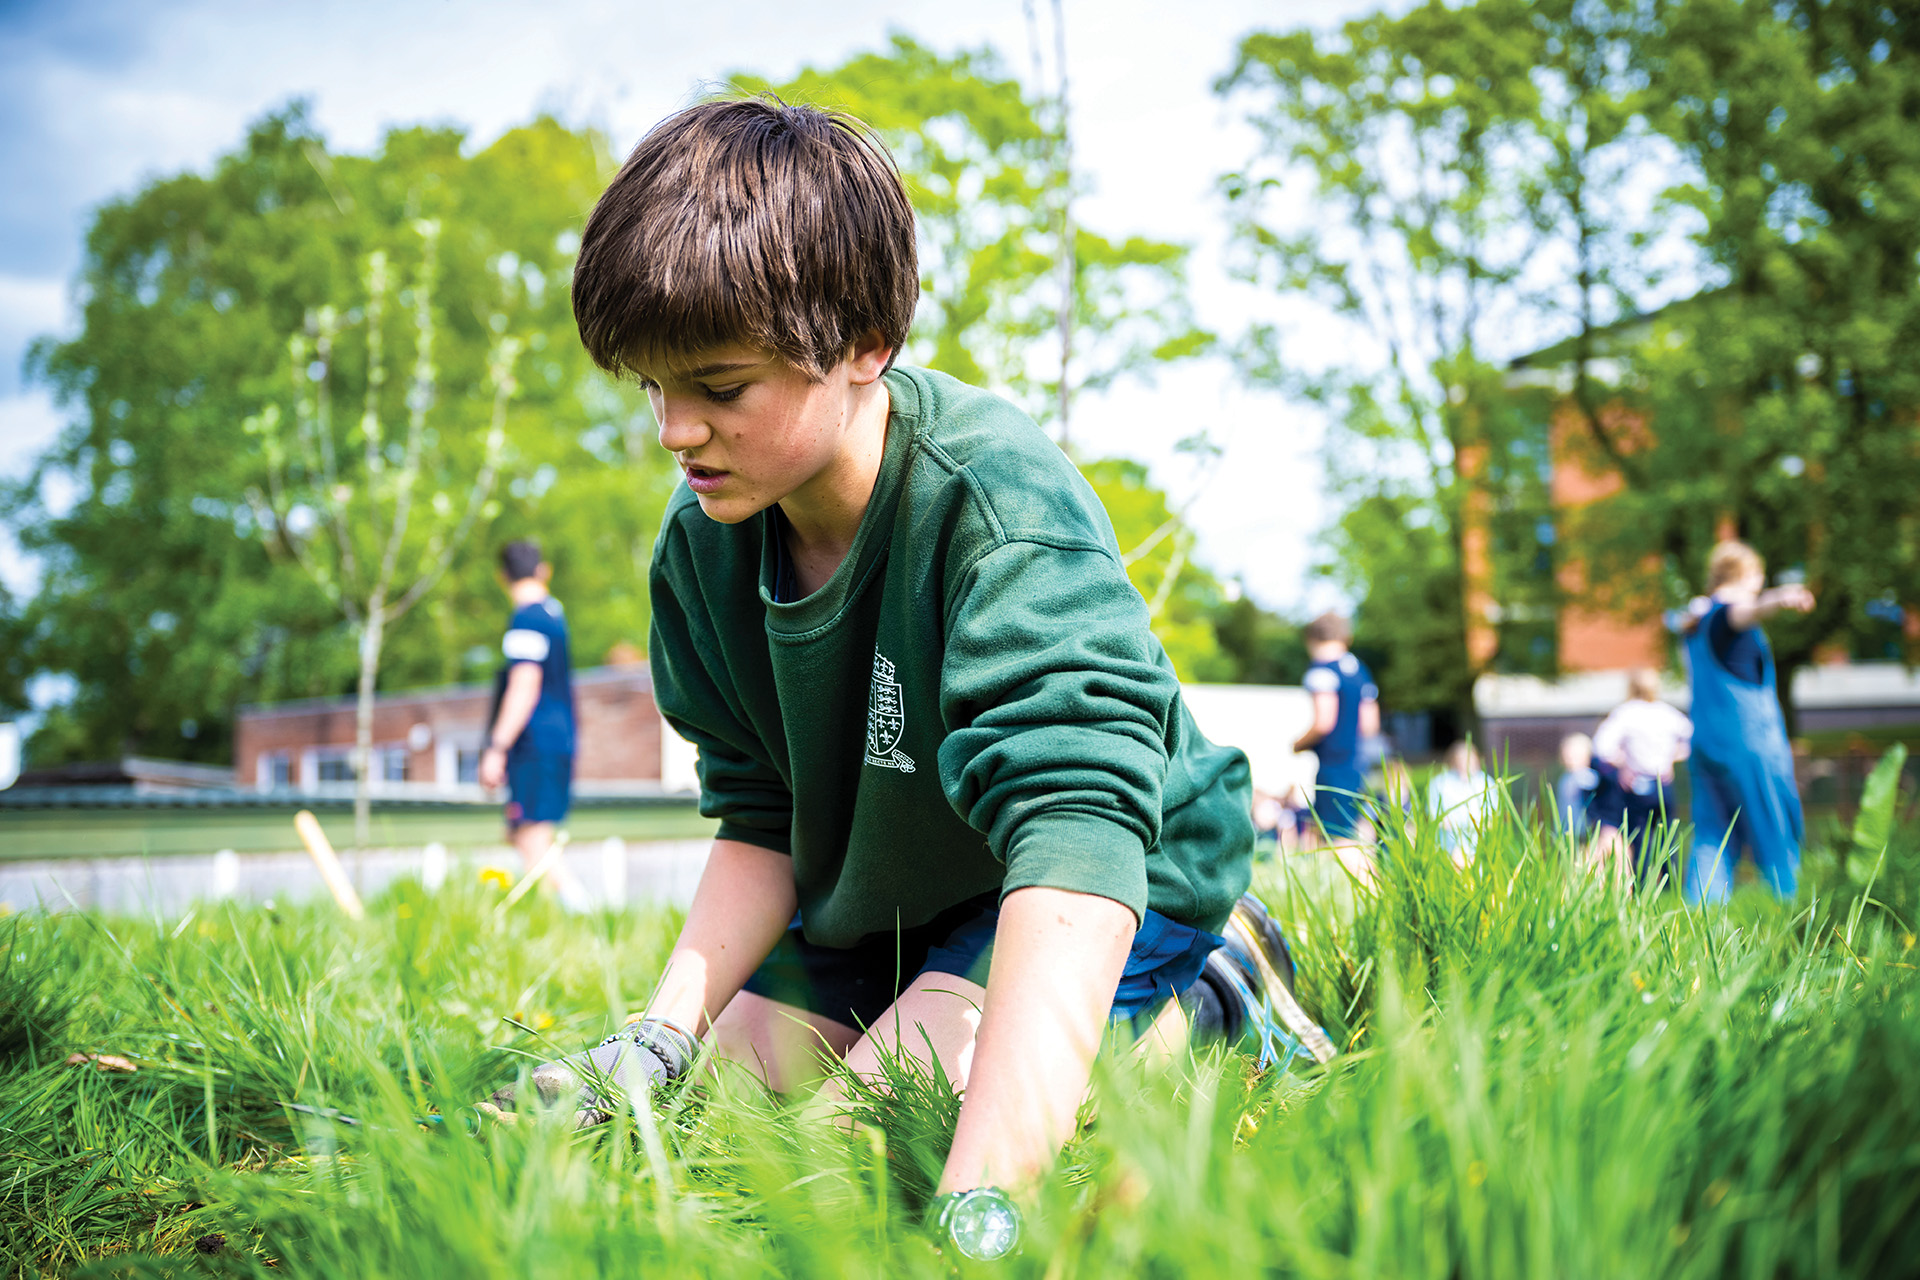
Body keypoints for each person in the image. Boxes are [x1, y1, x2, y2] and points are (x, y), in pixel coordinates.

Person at [488, 97, 1322, 1253]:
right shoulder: (701, 545)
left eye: (719, 387)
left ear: (865, 349)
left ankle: (1209, 992)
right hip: (886, 894)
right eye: (651, 389)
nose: (675, 432)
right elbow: (762, 815)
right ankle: (922, 1008)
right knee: (715, 1116)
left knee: (839, 1150)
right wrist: (658, 1033)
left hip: (1091, 873)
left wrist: (981, 1200)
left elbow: (1074, 829)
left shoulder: (997, 507)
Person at [1677, 540, 1814, 903]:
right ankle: (1796, 923)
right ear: (1748, 575)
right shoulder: (1726, 615)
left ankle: (1700, 929)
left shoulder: (1696, 622)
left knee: (1711, 837)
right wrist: (1781, 597)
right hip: (1748, 745)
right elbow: (1745, 611)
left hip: (1706, 743)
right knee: (1775, 832)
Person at [477, 540, 587, 909]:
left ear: (501, 576)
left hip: (534, 745)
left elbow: (523, 688)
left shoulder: (527, 618)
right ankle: (553, 916)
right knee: (520, 833)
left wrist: (496, 748)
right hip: (557, 740)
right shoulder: (555, 614)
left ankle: (581, 914)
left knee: (532, 836)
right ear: (544, 570)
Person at [1292, 612, 1381, 879]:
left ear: (1311, 638)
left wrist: (1297, 744)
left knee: (1338, 837)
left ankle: (1374, 894)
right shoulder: (1359, 670)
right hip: (1359, 763)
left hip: (1334, 765)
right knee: (1359, 831)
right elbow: (1370, 724)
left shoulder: (1321, 671)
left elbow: (1324, 721)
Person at [1589, 669, 1692, 888]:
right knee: (1667, 836)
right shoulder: (1668, 713)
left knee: (1639, 837)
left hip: (1635, 784)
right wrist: (1671, 759)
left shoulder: (1625, 713)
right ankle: (1671, 886)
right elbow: (1692, 740)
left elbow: (1601, 747)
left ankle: (1641, 886)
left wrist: (1624, 763)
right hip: (1663, 783)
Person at [1428, 740, 1497, 866]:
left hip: (1479, 839)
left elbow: (1491, 816)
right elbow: (1435, 816)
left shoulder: (1486, 783)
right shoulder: (1440, 783)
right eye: (1461, 760)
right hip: (1449, 839)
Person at [1553, 732, 1598, 843]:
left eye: (1576, 756)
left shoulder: (1590, 779)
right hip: (1566, 829)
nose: (1571, 760)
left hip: (1585, 829)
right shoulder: (1565, 778)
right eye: (1568, 756)